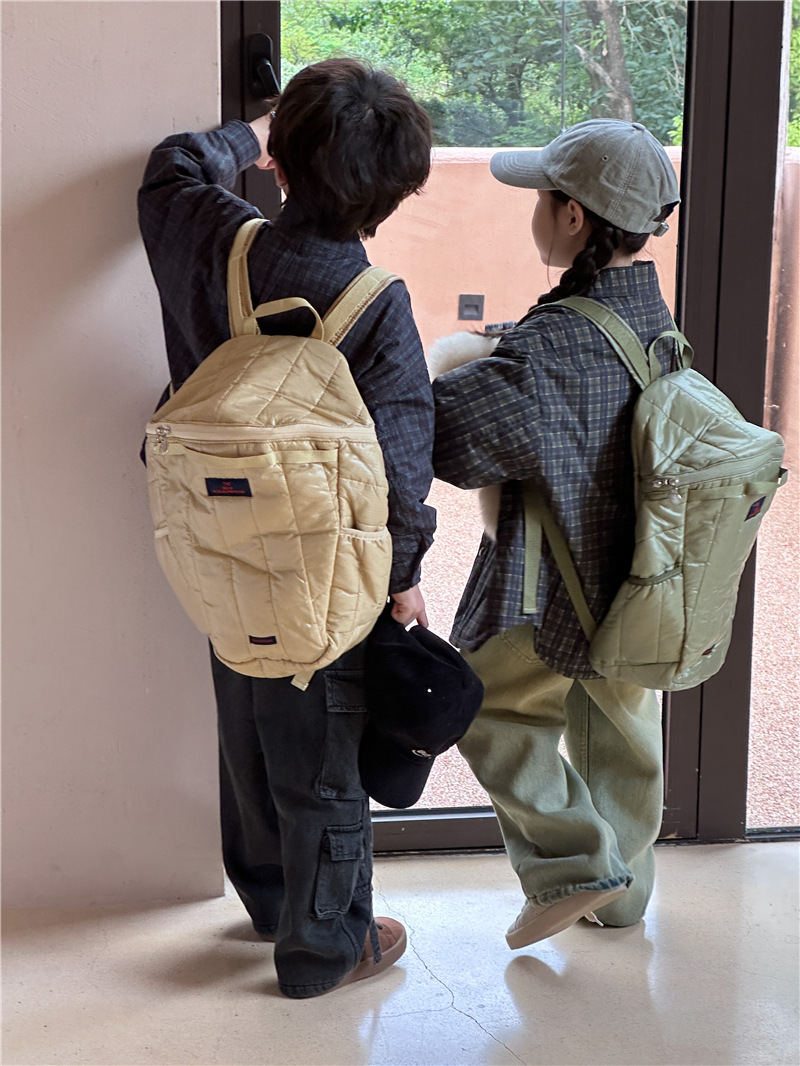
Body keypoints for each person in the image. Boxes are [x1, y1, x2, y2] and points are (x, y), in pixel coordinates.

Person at [138, 58, 436, 998]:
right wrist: (403, 574)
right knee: (323, 749)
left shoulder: (210, 237)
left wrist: (251, 134)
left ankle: (270, 898)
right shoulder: (375, 304)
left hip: (213, 547)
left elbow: (169, 165)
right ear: (391, 196)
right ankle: (324, 944)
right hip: (325, 567)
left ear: (283, 162)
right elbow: (401, 464)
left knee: (249, 726)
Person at [431, 119, 681, 949]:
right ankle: (623, 897)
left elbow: (451, 439)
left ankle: (575, 867)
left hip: (554, 586)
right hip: (641, 578)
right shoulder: (655, 319)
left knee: (489, 702)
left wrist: (454, 359)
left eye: (542, 197)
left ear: (573, 216)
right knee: (619, 723)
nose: (534, 212)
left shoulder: (550, 346)